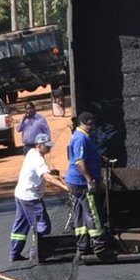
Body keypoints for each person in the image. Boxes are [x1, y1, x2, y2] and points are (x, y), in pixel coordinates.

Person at [10, 132, 71, 261]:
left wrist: (58, 176)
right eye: (46, 146)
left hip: (20, 194)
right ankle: (35, 253)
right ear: (39, 145)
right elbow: (46, 177)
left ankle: (14, 254)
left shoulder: (32, 153)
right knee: (43, 225)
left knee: (21, 225)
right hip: (30, 197)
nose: (49, 148)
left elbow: (46, 172)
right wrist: (66, 188)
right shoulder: (37, 158)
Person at [65, 111, 110, 258]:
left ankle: (82, 248)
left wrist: (98, 158)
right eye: (89, 124)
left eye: (93, 124)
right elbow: (79, 161)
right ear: (82, 124)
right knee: (92, 213)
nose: (92, 127)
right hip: (81, 183)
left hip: (75, 182)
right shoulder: (80, 138)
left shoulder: (82, 137)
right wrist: (89, 179)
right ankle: (99, 248)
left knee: (80, 215)